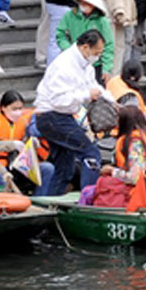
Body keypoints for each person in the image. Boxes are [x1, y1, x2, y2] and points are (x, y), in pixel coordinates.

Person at [34, 29, 113, 196]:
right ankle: (88, 199)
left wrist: (113, 102)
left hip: (62, 116)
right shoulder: (63, 65)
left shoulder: (86, 66)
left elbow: (94, 86)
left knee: (65, 165)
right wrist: (86, 95)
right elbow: (58, 100)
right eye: (96, 53)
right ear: (85, 48)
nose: (98, 57)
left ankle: (51, 200)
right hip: (51, 116)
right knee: (90, 153)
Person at [0, 90, 56, 192]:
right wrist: (11, 145)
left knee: (48, 168)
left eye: (20, 108)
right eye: (14, 109)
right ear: (3, 108)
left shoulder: (23, 122)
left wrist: (32, 144)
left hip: (18, 166)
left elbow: (25, 147)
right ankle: (8, 201)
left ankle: (39, 201)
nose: (18, 112)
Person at [95, 105, 146, 212]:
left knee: (101, 184)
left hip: (144, 195)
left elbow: (134, 178)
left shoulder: (135, 143)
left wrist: (111, 171)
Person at [55, 0, 114, 76]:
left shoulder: (102, 21)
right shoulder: (69, 16)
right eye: (82, 2)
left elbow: (108, 44)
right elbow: (60, 34)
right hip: (74, 62)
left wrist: (106, 68)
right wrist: (69, 49)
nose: (84, 5)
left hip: (95, 64)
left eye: (87, 3)